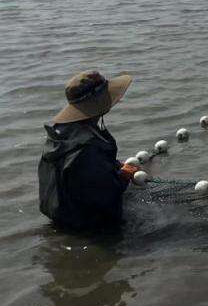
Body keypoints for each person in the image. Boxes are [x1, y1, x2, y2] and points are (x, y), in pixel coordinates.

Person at [39, 71, 138, 232]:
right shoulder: (88, 148)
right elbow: (105, 195)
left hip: (61, 216)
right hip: (89, 226)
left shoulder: (60, 132)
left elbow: (75, 174)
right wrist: (124, 176)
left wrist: (112, 166)